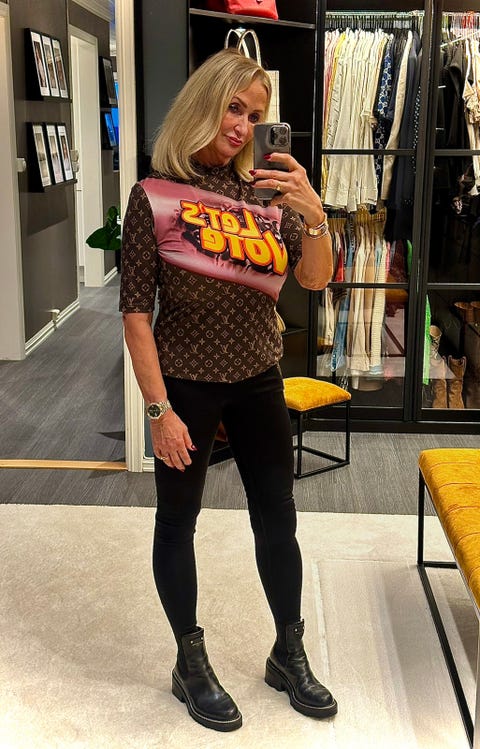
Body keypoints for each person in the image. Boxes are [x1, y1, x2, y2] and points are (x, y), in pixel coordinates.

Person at [120, 48, 336, 733]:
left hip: (258, 379)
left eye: (256, 114)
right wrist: (159, 410)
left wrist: (314, 213)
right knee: (177, 520)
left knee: (278, 517)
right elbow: (135, 313)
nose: (243, 125)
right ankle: (189, 662)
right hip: (184, 385)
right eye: (233, 108)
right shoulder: (155, 196)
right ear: (204, 104)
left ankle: (287, 652)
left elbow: (314, 279)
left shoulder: (267, 193)